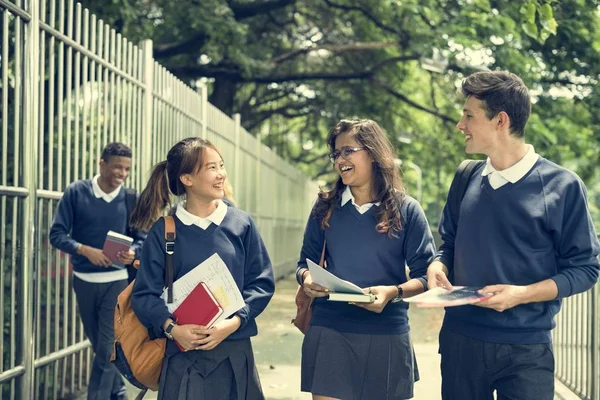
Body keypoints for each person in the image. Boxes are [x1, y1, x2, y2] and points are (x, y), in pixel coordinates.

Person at [428, 71, 600, 400]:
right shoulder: (465, 177)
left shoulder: (562, 186)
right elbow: (447, 245)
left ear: (500, 121)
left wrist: (521, 294)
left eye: (468, 116)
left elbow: (585, 269)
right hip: (460, 341)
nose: (459, 125)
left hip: (526, 349)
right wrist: (439, 266)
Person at [296, 119, 436, 400]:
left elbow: (425, 277)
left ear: (372, 153)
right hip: (330, 328)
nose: (340, 160)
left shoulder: (406, 209)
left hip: (386, 331)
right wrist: (308, 279)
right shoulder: (325, 206)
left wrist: (393, 292)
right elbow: (304, 263)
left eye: (348, 151)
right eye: (336, 154)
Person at [130, 137, 275, 400]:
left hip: (234, 351)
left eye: (221, 166)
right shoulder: (163, 231)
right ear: (187, 179)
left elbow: (261, 284)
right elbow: (144, 295)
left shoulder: (241, 224)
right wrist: (172, 329)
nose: (221, 175)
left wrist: (233, 323)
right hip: (183, 357)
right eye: (212, 168)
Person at [49, 142, 145, 400]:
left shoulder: (130, 198)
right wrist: (84, 250)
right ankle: (119, 392)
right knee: (102, 347)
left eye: (126, 169)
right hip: (84, 282)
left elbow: (142, 238)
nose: (122, 174)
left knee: (106, 349)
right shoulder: (76, 192)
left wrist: (134, 251)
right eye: (117, 167)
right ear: (101, 164)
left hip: (117, 283)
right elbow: (56, 234)